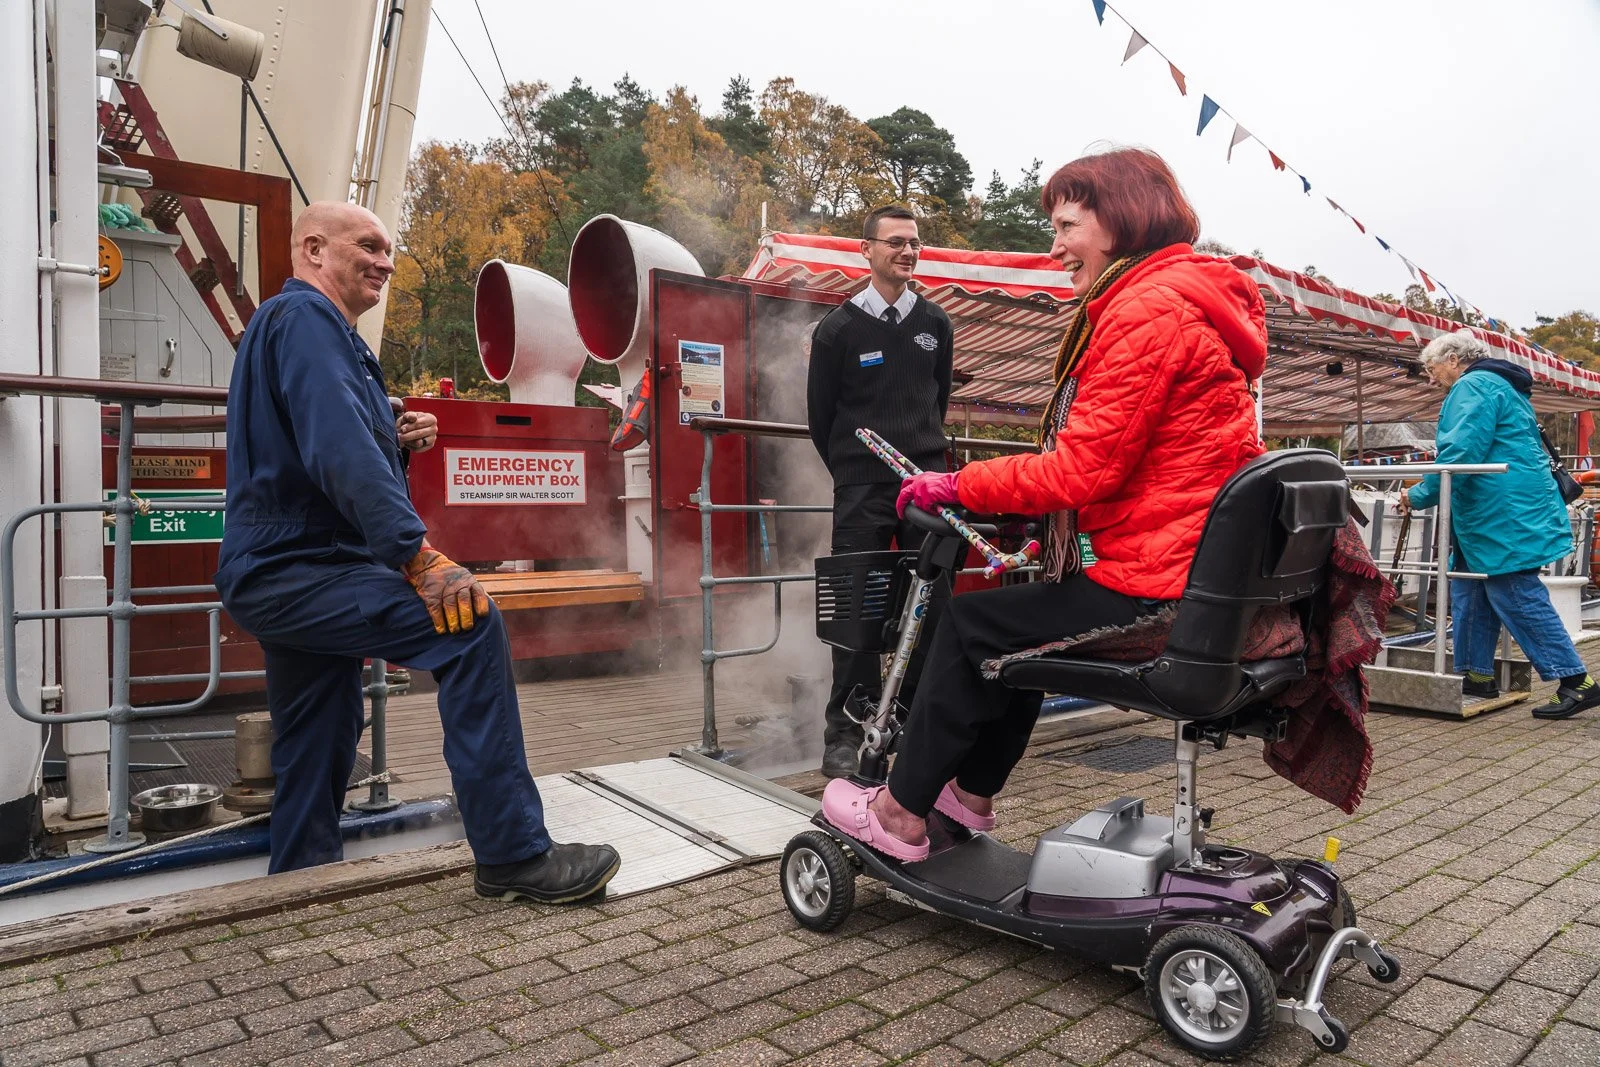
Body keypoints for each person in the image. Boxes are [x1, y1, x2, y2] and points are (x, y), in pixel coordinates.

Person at [820, 148, 1267, 860]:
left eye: (1066, 225)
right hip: (1189, 569)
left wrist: (959, 485)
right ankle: (966, 795)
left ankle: (902, 810)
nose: (1053, 246)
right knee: (1020, 618)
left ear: (1117, 221)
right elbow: (1130, 460)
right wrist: (1022, 503)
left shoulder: (1146, 310)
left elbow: (1082, 467)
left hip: (1159, 587)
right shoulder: (1178, 298)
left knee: (972, 626)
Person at [215, 201, 620, 901]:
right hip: (302, 567)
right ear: (313, 249)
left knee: (320, 724)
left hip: (279, 567)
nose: (385, 260)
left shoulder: (293, 329)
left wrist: (390, 434)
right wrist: (419, 558)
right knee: (469, 624)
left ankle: (298, 885)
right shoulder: (310, 322)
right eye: (368, 245)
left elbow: (310, 442)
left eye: (389, 249)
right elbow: (337, 448)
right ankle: (513, 852)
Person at [806, 205, 955, 778]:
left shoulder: (935, 324)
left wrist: (922, 461)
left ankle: (917, 723)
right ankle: (843, 732)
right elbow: (822, 418)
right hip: (862, 486)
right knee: (857, 610)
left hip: (926, 482)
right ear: (864, 250)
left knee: (933, 606)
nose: (907, 251)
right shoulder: (838, 330)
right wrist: (853, 471)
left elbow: (934, 403)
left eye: (914, 243)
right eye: (894, 242)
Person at [1398, 329, 1599, 719]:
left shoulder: (1473, 386)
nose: (1430, 376)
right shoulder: (1501, 385)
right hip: (1501, 509)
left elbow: (1460, 454)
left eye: (1431, 367)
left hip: (1501, 512)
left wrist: (1417, 495)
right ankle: (1476, 674)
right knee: (1470, 586)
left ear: (1454, 359)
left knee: (1514, 592)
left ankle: (1577, 681)